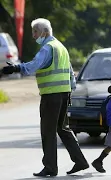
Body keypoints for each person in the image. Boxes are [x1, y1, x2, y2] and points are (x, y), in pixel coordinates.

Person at [1, 18, 89, 177]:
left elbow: (34, 65)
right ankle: (80, 161)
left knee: (48, 131)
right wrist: (70, 90)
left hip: (51, 96)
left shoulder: (47, 48)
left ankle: (50, 167)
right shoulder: (61, 47)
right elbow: (70, 73)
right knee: (63, 129)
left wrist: (16, 67)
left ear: (44, 32)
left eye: (35, 32)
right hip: (64, 93)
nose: (33, 36)